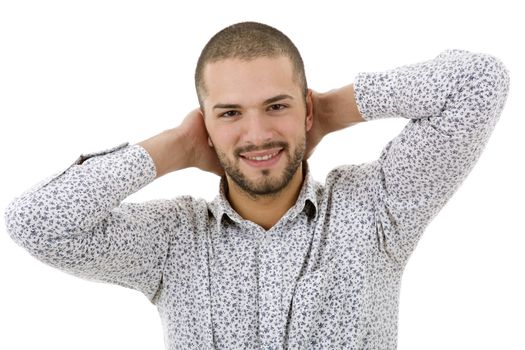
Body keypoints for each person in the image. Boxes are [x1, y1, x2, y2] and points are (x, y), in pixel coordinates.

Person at [4, 21, 510, 349]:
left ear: (304, 108)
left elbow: (478, 82)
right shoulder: (169, 241)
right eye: (229, 114)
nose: (258, 134)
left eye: (277, 106)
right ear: (205, 123)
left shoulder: (377, 210)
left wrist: (330, 113)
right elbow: (36, 223)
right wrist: (173, 147)